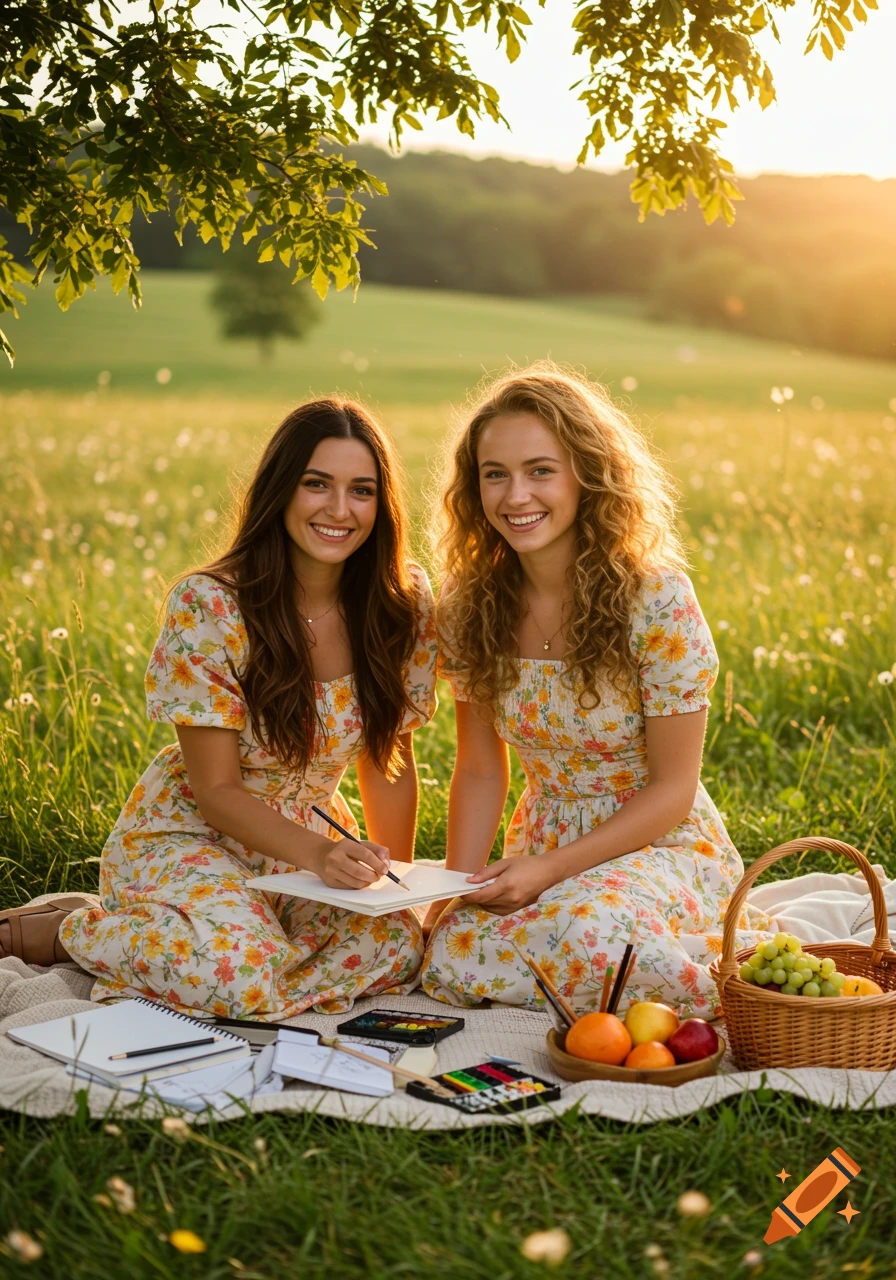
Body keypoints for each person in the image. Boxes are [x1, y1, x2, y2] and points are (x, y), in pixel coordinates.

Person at [1, 399, 437, 1018]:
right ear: (280, 489)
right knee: (242, 976)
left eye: (361, 490)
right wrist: (316, 857)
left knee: (397, 949)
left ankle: (217, 943)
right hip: (193, 833)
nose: (340, 510)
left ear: (381, 504)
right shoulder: (211, 606)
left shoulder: (401, 603)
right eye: (317, 484)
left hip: (310, 836)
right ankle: (69, 932)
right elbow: (216, 791)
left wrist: (398, 889)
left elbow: (387, 761)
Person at [421, 363, 768, 1017]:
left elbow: (673, 790)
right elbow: (478, 770)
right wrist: (458, 888)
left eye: (540, 470)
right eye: (495, 474)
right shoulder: (471, 604)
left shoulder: (655, 598)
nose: (515, 495)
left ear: (587, 473)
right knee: (451, 948)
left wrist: (548, 874)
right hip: (544, 840)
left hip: (660, 844)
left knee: (594, 934)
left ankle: (730, 981)